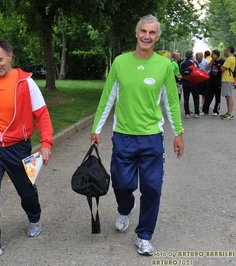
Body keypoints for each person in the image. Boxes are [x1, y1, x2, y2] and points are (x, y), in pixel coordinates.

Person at [90, 14, 184, 256]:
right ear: (136, 33)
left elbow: (171, 102)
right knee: (122, 184)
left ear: (157, 37)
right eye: (143, 31)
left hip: (152, 137)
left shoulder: (163, 66)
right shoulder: (120, 62)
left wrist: (178, 133)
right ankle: (125, 208)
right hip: (123, 137)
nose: (147, 36)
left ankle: (144, 236)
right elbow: (107, 97)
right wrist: (96, 128)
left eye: (152, 33)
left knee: (152, 188)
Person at [0, 39, 54, 265]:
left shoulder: (26, 82)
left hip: (19, 148)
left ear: (10, 56)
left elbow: (42, 115)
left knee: (26, 191)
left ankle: (34, 217)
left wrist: (46, 143)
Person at [202, 50, 225, 116]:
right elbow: (208, 67)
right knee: (208, 96)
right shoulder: (212, 61)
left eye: (213, 54)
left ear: (217, 55)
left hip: (218, 81)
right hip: (210, 80)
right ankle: (205, 110)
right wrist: (212, 60)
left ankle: (216, 111)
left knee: (217, 97)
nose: (212, 55)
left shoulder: (222, 61)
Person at [180, 50, 201, 118]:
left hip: (185, 83)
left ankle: (187, 113)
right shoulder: (194, 62)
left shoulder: (182, 63)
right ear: (192, 55)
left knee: (186, 99)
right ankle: (197, 113)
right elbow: (197, 71)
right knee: (196, 98)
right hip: (193, 83)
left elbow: (181, 72)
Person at [219, 46, 235, 119]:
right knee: (227, 96)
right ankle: (229, 112)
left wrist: (221, 67)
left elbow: (222, 69)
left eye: (225, 50)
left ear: (228, 50)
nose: (224, 52)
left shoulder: (229, 59)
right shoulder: (232, 58)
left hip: (227, 79)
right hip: (227, 79)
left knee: (228, 96)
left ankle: (230, 113)